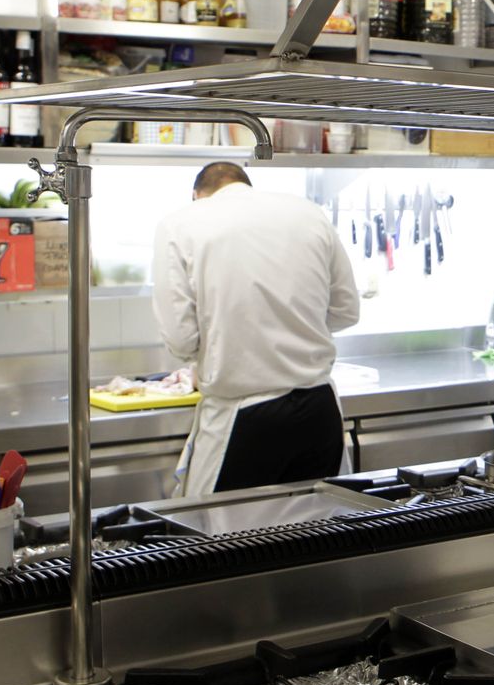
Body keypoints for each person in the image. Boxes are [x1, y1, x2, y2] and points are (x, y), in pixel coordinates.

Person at [152, 162, 360, 496]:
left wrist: (222, 348)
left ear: (196, 195)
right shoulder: (308, 213)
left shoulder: (180, 224)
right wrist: (294, 332)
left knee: (219, 528)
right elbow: (346, 311)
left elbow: (181, 338)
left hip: (244, 417)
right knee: (318, 524)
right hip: (319, 409)